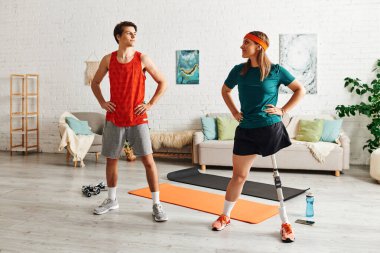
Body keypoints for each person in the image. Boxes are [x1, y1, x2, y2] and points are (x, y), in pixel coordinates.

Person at [211, 31, 305, 242]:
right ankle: (226, 216)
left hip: (269, 128)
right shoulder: (239, 71)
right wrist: (235, 112)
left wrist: (283, 110)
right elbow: (225, 91)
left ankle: (285, 223)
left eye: (246, 43)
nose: (241, 46)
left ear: (259, 47)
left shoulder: (276, 70)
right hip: (246, 129)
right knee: (239, 177)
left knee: (275, 175)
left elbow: (300, 90)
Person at [91, 21, 168, 222]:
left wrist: (149, 104)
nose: (133, 36)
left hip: (138, 119)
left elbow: (163, 82)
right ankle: (111, 199)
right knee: (111, 160)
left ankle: (157, 204)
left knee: (148, 161)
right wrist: (102, 102)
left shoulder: (142, 58)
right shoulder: (108, 60)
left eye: (135, 33)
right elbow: (95, 82)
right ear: (118, 36)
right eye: (128, 33)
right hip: (115, 118)